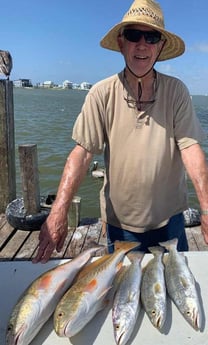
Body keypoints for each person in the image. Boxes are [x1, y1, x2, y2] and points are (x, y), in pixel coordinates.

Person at [33, 0, 208, 263]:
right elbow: (82, 153)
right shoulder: (101, 93)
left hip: (170, 221)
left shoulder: (177, 91)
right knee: (123, 301)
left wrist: (206, 208)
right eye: (133, 35)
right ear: (121, 42)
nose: (142, 44)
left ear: (160, 46)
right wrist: (58, 210)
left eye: (151, 37)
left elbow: (190, 148)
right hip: (120, 227)